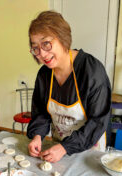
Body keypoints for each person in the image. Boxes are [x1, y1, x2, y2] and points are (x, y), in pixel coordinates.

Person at [27, 11, 111, 163]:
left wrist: (66, 147)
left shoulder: (91, 71)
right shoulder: (44, 74)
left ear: (63, 37)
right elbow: (41, 112)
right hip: (57, 148)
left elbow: (98, 121)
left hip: (89, 149)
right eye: (35, 48)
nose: (42, 54)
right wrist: (37, 136)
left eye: (46, 44)